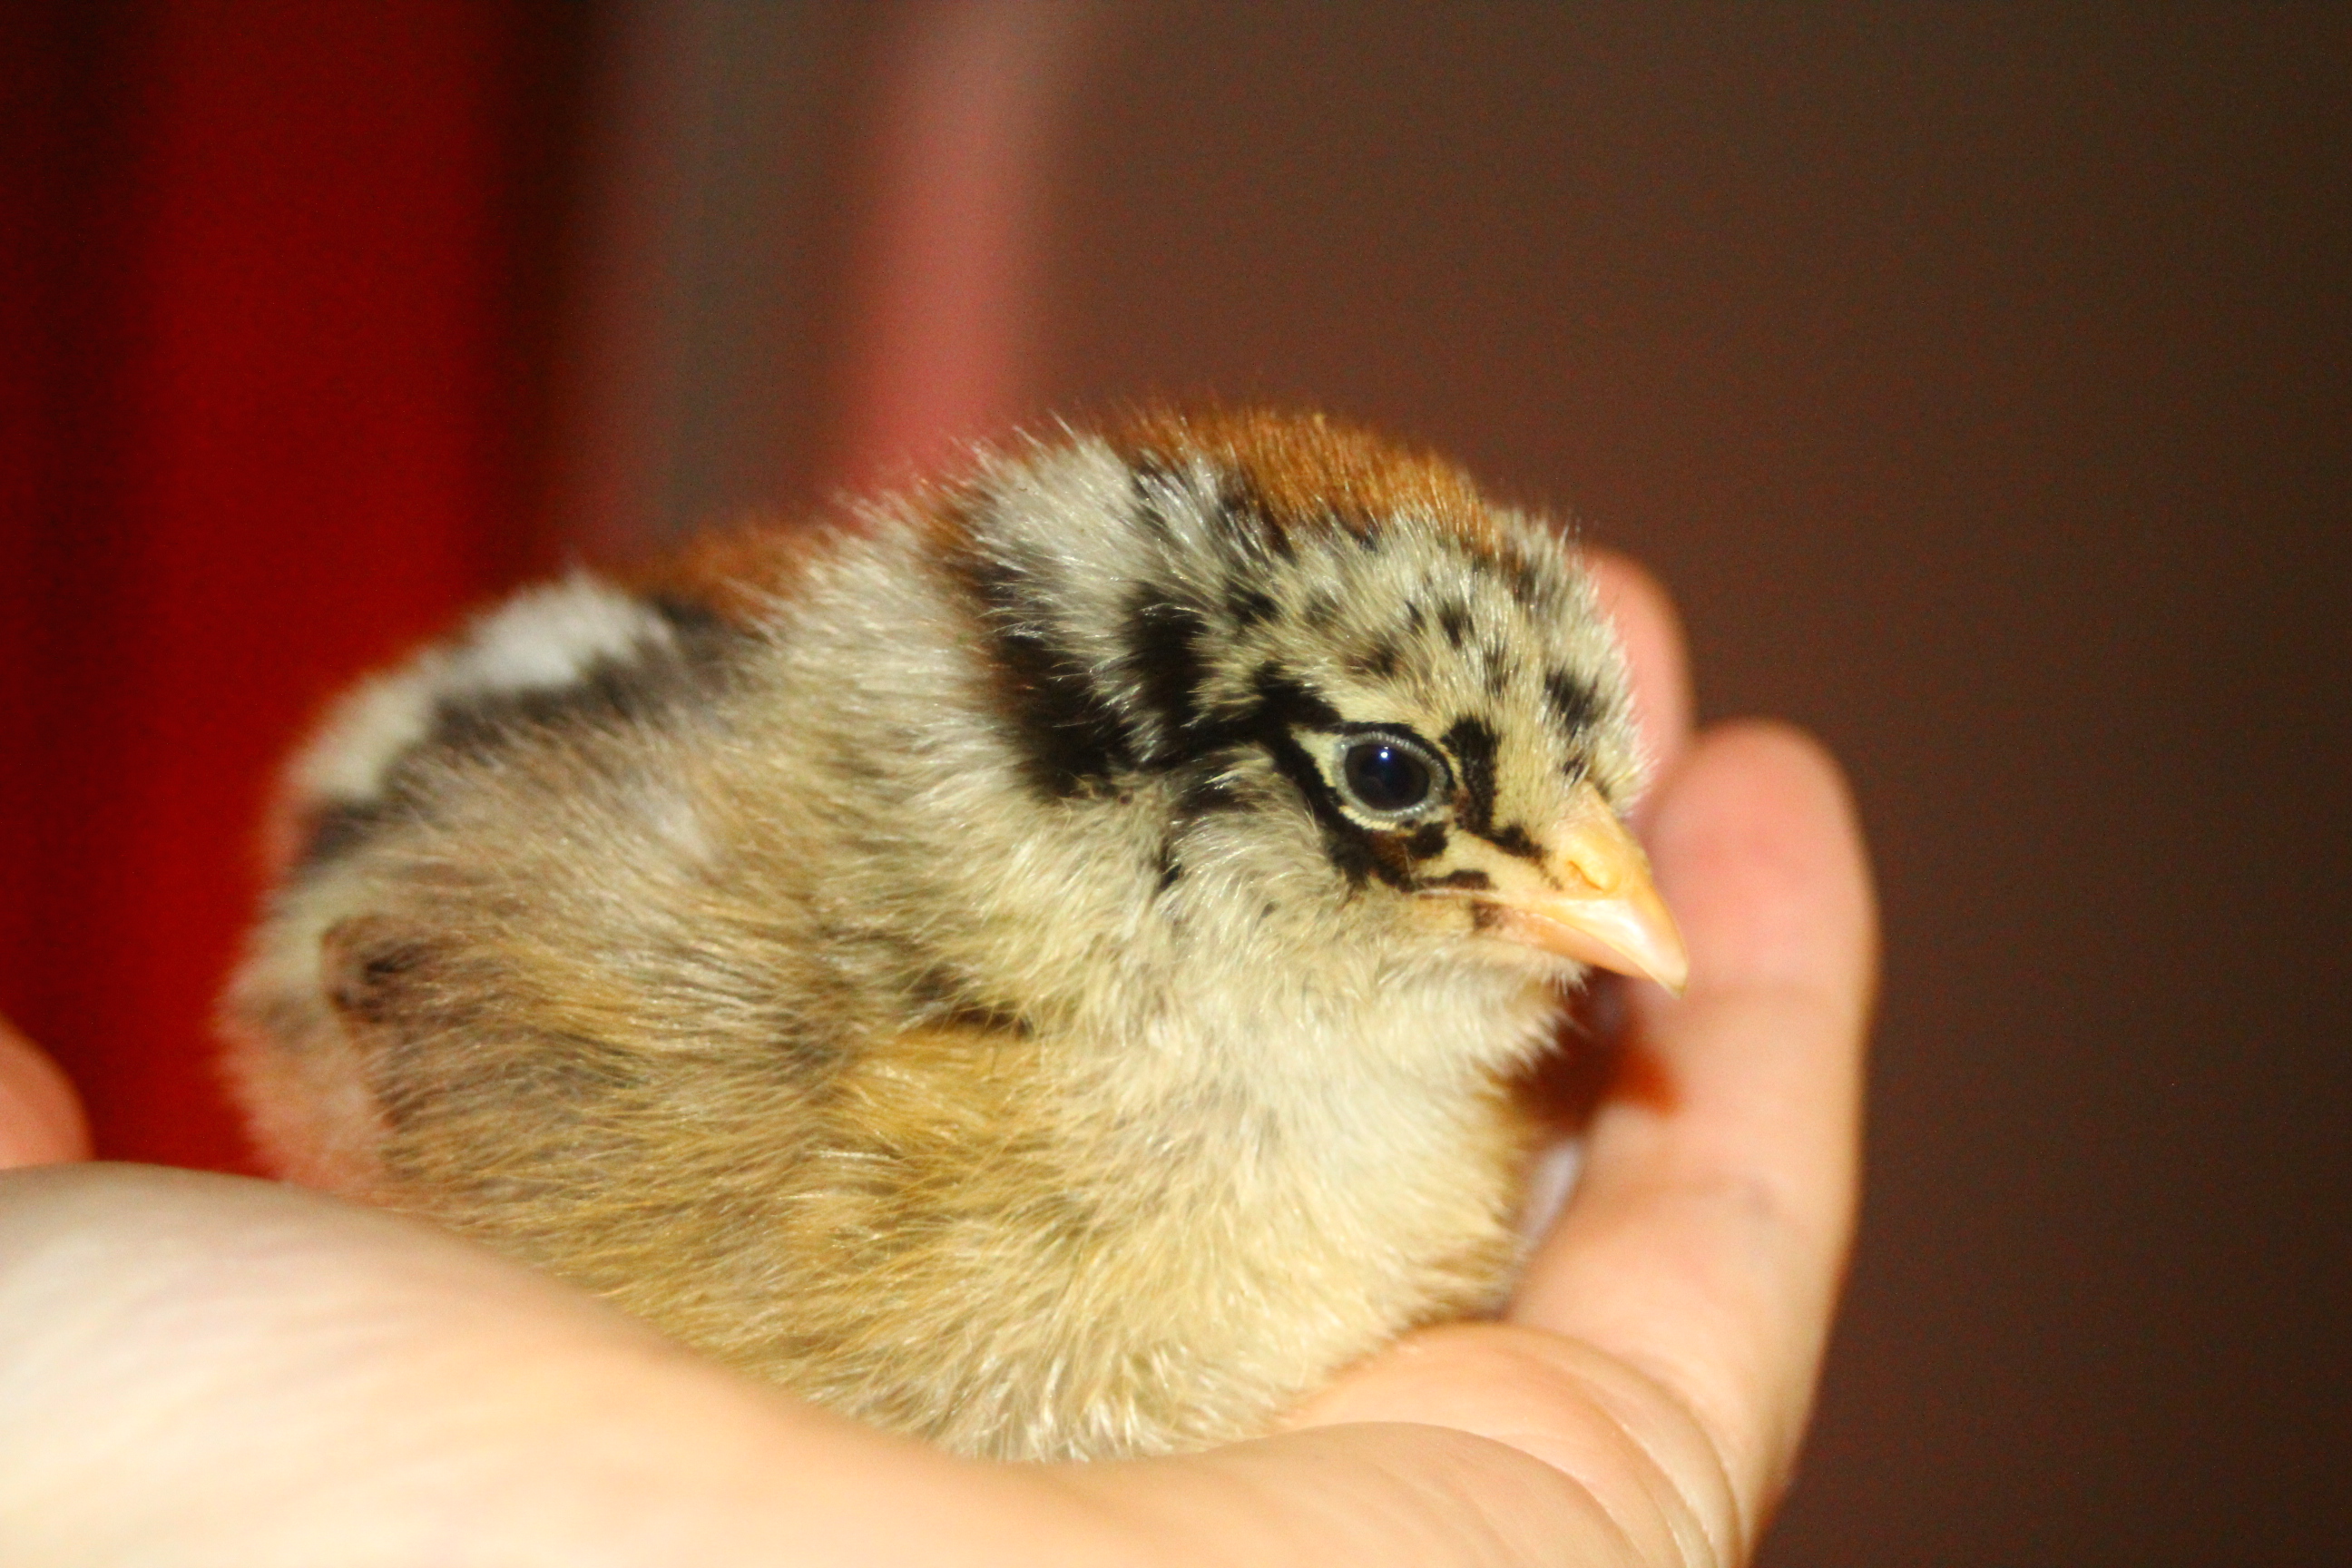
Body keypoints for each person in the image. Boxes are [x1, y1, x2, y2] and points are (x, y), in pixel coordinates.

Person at [0, 559, 1874, 1566]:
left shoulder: (1414, 1116)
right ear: (1137, 791)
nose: (1602, 892)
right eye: (1399, 778)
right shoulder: (702, 980)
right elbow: (357, 955)